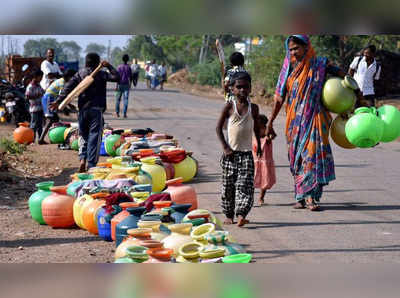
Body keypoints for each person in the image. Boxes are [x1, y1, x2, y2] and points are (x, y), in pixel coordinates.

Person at [266, 35, 364, 211]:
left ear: (306, 47)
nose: (294, 52)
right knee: (297, 158)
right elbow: (279, 97)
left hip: (316, 118)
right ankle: (300, 196)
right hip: (294, 122)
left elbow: (343, 74)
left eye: (296, 48)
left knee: (312, 156)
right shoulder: (288, 67)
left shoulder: (320, 64)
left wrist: (357, 93)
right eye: (291, 49)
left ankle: (311, 197)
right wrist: (270, 121)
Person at [51, 53, 120, 172]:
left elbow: (68, 88)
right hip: (96, 110)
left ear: (86, 62)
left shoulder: (80, 74)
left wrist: (58, 101)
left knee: (83, 135)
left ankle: (82, 159)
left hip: (82, 110)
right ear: (97, 62)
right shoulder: (101, 74)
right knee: (94, 137)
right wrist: (108, 66)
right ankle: (91, 164)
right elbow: (117, 77)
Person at [216, 71, 261, 227]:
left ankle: (241, 214)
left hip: (247, 154)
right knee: (228, 186)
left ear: (250, 89)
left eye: (245, 87)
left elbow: (256, 128)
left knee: (245, 186)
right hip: (230, 155)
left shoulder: (253, 108)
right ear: (232, 89)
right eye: (239, 87)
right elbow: (218, 129)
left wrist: (259, 146)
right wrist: (225, 147)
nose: (242, 90)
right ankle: (229, 215)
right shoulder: (229, 106)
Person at [38, 69, 77, 144]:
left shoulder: (63, 81)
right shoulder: (63, 83)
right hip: (49, 98)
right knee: (50, 119)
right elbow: (61, 96)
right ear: (69, 77)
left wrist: (68, 105)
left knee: (55, 119)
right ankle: (41, 139)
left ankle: (53, 137)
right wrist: (67, 106)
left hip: (51, 98)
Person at [252, 114, 276, 206]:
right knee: (253, 178)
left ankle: (261, 198)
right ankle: (250, 197)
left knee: (265, 180)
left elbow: (273, 135)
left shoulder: (267, 129)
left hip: (266, 160)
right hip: (256, 159)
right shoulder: (254, 131)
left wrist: (270, 137)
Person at [25, 69, 45, 143]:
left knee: (40, 125)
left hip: (40, 108)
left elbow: (43, 92)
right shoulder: (30, 86)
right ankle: (31, 140)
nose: (41, 79)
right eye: (40, 77)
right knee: (33, 125)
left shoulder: (38, 85)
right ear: (35, 77)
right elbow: (27, 96)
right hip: (34, 109)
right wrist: (37, 95)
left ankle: (40, 139)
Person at [115, 54, 132, 118]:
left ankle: (117, 113)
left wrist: (116, 86)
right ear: (127, 59)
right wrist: (130, 85)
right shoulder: (128, 67)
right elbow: (131, 77)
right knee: (126, 99)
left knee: (118, 99)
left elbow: (117, 77)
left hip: (119, 84)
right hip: (126, 85)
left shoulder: (119, 67)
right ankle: (124, 114)